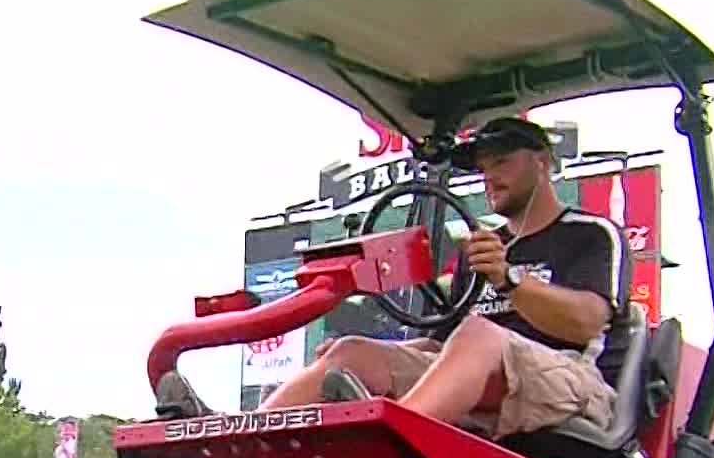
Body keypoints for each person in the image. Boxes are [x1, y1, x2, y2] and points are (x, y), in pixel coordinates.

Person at [155, 116, 623, 440]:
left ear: (541, 162)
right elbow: (443, 346)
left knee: (482, 335)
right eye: (482, 169)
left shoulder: (589, 234)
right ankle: (236, 447)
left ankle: (393, 439)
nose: (488, 177)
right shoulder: (481, 249)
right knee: (349, 352)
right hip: (484, 379)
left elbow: (585, 324)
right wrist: (368, 358)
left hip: (572, 384)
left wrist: (510, 281)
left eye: (501, 162)